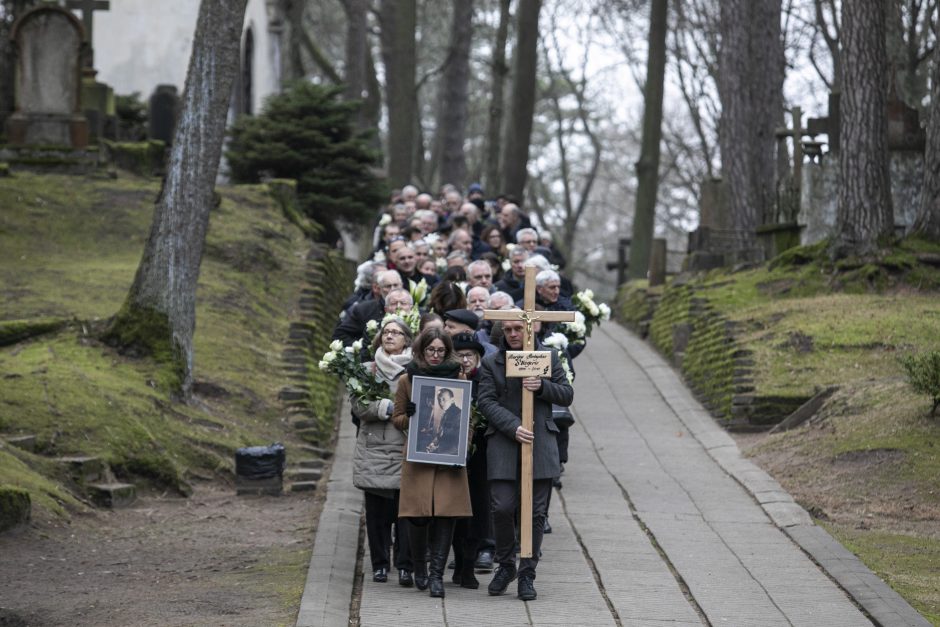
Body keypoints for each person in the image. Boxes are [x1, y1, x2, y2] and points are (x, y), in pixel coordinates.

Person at [477, 315, 574, 601]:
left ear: (529, 329)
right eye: (507, 330)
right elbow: (485, 400)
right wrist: (511, 426)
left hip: (541, 443)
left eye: (518, 328)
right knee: (503, 507)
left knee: (535, 513)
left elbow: (566, 394)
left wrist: (542, 386)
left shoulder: (548, 357)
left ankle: (527, 573)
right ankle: (506, 564)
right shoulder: (491, 362)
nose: (512, 334)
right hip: (505, 443)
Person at [392, 329, 471, 598]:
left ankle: (436, 575)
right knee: (418, 516)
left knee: (446, 515)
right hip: (418, 459)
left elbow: (467, 420)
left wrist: (462, 448)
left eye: (440, 351)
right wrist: (410, 417)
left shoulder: (460, 378)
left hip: (449, 460)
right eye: (430, 350)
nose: (435, 356)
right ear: (421, 351)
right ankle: (419, 568)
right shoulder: (407, 379)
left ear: (447, 351)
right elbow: (397, 418)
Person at [351, 318, 415, 587]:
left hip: (404, 447)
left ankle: (405, 565)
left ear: (407, 340)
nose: (390, 336)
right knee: (377, 512)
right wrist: (391, 407)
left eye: (396, 332)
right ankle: (379, 564)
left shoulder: (416, 369)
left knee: (405, 513)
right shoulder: (366, 370)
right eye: (386, 332)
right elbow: (358, 406)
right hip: (374, 449)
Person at [449, 332, 494, 587]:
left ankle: (470, 563)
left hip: (480, 457)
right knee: (456, 511)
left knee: (478, 510)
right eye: (459, 355)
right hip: (454, 456)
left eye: (469, 356)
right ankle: (459, 561)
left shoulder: (485, 381)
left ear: (477, 358)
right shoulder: (447, 381)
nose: (464, 360)